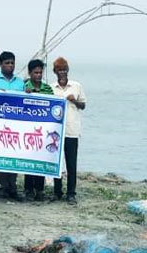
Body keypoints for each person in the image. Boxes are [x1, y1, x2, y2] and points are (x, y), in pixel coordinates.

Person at [49, 57, 86, 205]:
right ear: (55, 71)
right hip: (55, 131)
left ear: (68, 70)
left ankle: (71, 193)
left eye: (64, 69)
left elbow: (83, 105)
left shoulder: (76, 86)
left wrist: (75, 101)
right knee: (56, 163)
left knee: (71, 164)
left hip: (72, 130)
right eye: (59, 70)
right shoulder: (51, 88)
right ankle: (57, 192)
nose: (62, 72)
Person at [0, 51, 25, 201]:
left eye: (12, 63)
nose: (10, 66)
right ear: (1, 64)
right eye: (7, 63)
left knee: (14, 155)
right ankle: (4, 186)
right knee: (1, 157)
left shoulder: (20, 82)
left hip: (15, 126)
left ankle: (13, 186)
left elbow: (24, 102)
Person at [22, 59, 54, 202]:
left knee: (40, 159)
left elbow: (53, 105)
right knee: (29, 159)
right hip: (27, 129)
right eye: (36, 72)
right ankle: (28, 189)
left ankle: (39, 190)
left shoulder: (47, 89)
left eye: (40, 72)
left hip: (43, 130)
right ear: (30, 73)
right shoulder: (23, 87)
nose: (38, 75)